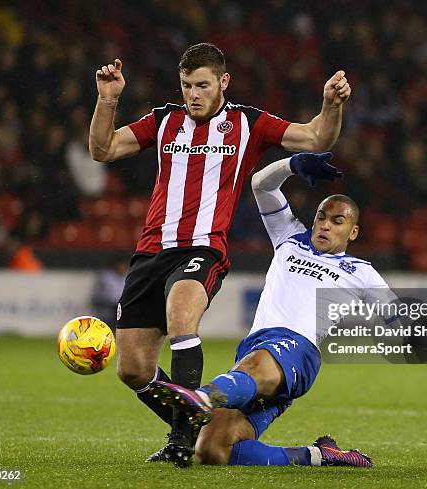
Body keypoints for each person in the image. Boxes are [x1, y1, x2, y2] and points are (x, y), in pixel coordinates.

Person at [150, 152, 427, 467]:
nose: (324, 224)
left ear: (353, 232)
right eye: (322, 216)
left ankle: (202, 398)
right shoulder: (288, 238)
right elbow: (261, 184)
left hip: (296, 351)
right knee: (212, 449)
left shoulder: (362, 273)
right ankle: (321, 455)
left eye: (337, 221)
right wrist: (291, 164)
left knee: (255, 366)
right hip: (257, 352)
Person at [88, 43, 351, 466]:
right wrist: (108, 100)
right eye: (187, 85)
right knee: (133, 368)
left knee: (181, 317)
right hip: (151, 253)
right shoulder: (163, 121)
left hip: (203, 248)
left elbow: (317, 135)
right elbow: (102, 150)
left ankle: (179, 442)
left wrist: (330, 104)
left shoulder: (248, 124)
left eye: (203, 85)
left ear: (223, 82)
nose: (193, 94)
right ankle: (195, 426)